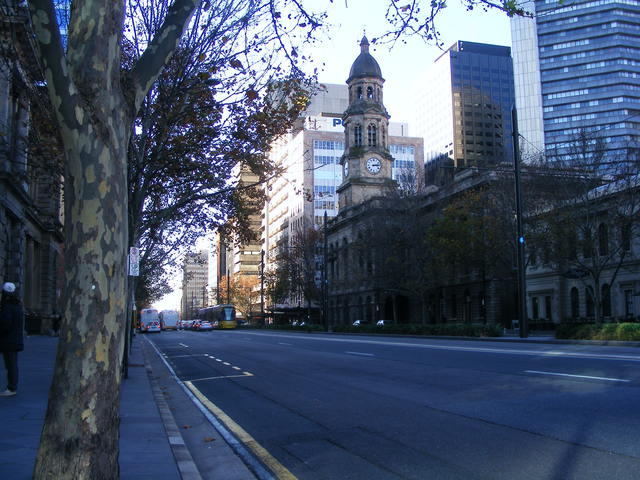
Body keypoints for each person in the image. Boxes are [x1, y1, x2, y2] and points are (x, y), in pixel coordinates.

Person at [0, 282, 24, 397]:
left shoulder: (7, 307)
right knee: (12, 364)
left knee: (10, 365)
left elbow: (5, 324)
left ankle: (12, 387)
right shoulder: (17, 306)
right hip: (15, 340)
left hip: (8, 340)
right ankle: (12, 386)